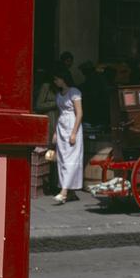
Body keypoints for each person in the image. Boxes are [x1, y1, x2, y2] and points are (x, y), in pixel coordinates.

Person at [51, 64, 84, 205]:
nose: (55, 82)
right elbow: (60, 113)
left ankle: (64, 192)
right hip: (62, 127)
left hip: (72, 126)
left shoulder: (74, 92)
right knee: (63, 160)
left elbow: (79, 113)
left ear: (63, 79)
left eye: (57, 79)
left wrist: (74, 133)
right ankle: (70, 193)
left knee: (71, 160)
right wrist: (55, 132)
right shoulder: (59, 95)